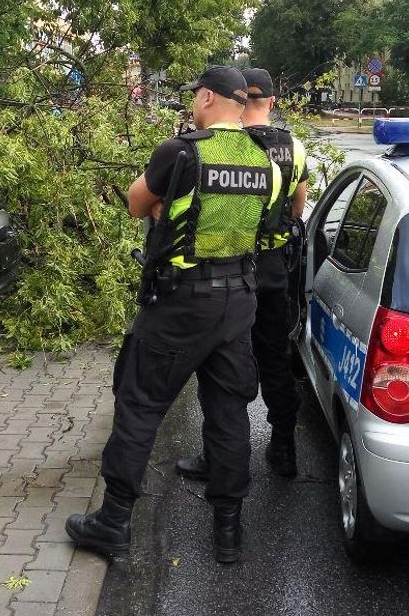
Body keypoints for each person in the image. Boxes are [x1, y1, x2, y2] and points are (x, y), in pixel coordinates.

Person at [65, 66, 282, 564]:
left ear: (207, 98)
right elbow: (262, 221)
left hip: (182, 303)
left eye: (194, 97)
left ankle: (113, 522)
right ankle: (228, 531)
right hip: (238, 302)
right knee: (229, 415)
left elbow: (136, 203)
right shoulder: (266, 160)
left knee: (140, 402)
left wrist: (169, 207)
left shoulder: (181, 150)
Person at [175, 67, 308, 481]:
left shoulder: (226, 146)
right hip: (273, 273)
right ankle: (283, 447)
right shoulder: (293, 148)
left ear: (236, 100)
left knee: (223, 364)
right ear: (271, 101)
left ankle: (219, 458)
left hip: (230, 269)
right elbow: (298, 210)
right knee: (275, 359)